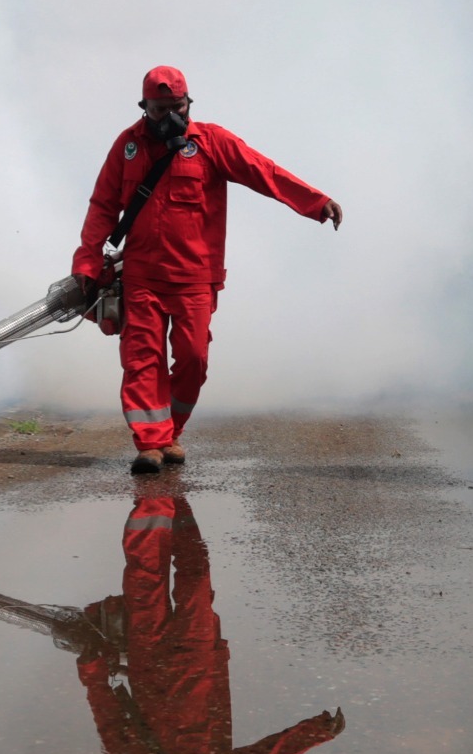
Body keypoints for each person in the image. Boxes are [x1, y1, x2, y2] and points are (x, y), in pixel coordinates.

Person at [74, 66, 343, 475]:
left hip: (195, 278)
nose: (170, 117)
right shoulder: (127, 146)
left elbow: (263, 172)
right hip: (142, 276)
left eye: (177, 107)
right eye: (161, 109)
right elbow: (103, 206)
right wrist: (88, 260)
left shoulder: (212, 142)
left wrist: (316, 203)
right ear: (144, 107)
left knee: (193, 359)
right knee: (141, 361)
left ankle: (170, 431)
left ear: (190, 104)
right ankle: (149, 444)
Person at [75, 490, 345, 754]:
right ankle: (178, 503)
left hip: (148, 661)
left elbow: (111, 726)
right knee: (196, 576)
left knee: (144, 578)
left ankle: (153, 500)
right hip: (200, 657)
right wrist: (316, 733)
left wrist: (93, 676)